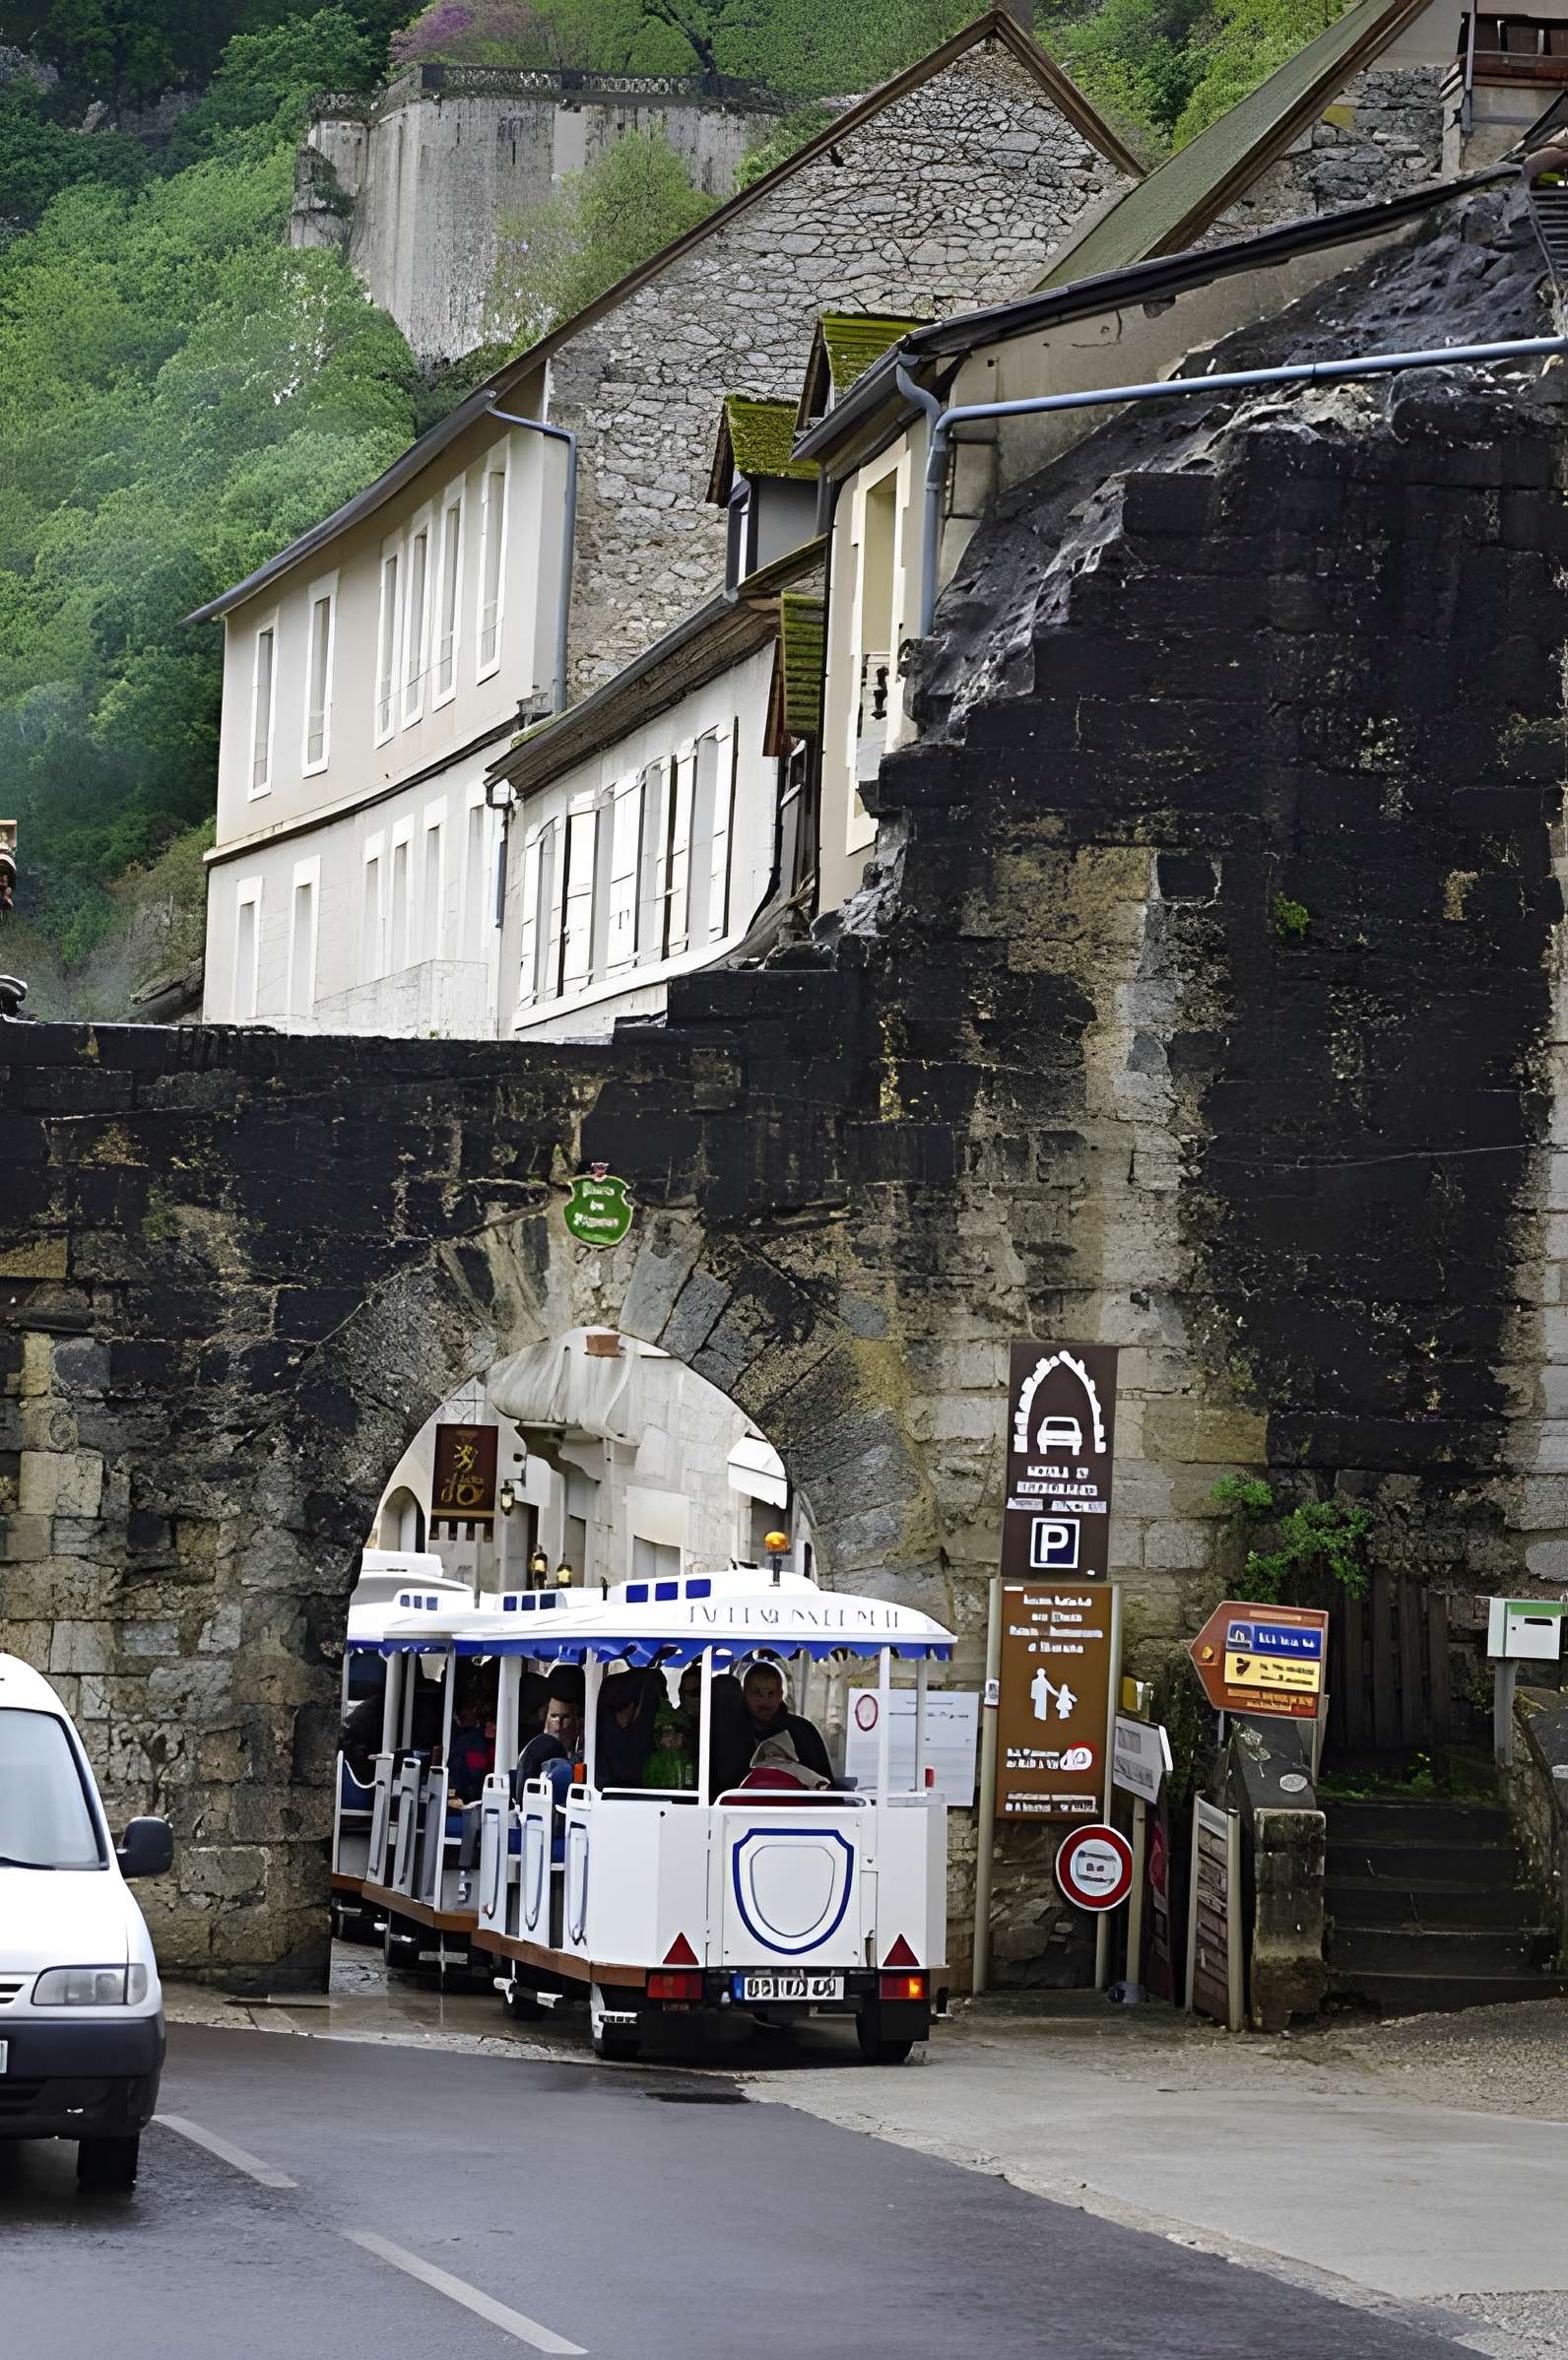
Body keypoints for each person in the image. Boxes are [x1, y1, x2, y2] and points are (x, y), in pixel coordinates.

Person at [714, 1661, 832, 1792]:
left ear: (781, 1695)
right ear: (745, 1693)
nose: (764, 1699)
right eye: (757, 1692)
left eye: (770, 1692)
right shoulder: (731, 1733)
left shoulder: (802, 1730)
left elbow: (824, 1784)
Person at [515, 1695, 581, 1793]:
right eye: (554, 1716)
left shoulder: (586, 1759)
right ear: (545, 1724)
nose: (558, 1726)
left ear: (576, 1725)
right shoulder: (532, 1758)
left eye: (566, 1718)